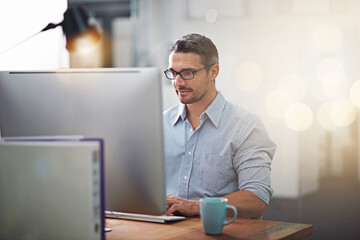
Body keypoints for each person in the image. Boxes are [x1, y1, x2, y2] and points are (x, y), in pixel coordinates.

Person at [163, 33, 276, 218]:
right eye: (173, 73)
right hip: (162, 230)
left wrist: (195, 206)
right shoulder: (161, 125)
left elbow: (257, 198)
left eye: (188, 73)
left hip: (216, 231)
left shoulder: (245, 126)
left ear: (213, 72)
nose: (178, 82)